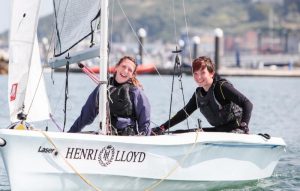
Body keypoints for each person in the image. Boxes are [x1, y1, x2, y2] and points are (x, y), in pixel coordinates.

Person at [152, 56, 253, 135]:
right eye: (195, 73)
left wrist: (243, 127)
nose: (198, 77)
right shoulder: (198, 94)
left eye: (203, 72)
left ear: (211, 73)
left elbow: (247, 103)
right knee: (180, 133)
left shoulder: (222, 87)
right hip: (219, 131)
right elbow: (184, 113)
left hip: (235, 131)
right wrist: (163, 127)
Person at [68, 56, 151, 136]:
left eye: (130, 70)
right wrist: (70, 134)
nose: (125, 71)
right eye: (123, 66)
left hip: (128, 138)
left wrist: (143, 144)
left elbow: (145, 122)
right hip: (106, 134)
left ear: (132, 75)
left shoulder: (136, 92)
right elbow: (86, 116)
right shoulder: (103, 88)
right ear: (117, 67)